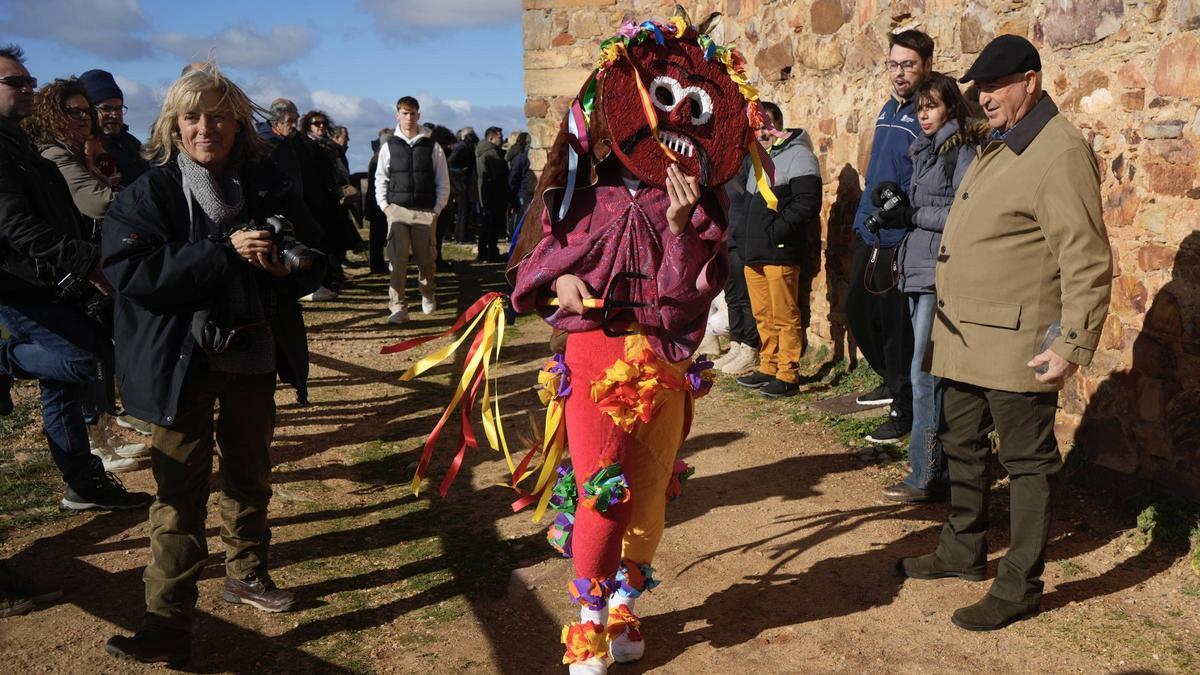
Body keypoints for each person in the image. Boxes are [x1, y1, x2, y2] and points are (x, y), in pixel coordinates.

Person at [507, 11, 766, 672]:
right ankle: (588, 617)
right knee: (603, 493)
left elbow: (686, 303)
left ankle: (624, 599)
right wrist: (560, 278)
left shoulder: (701, 205)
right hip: (594, 359)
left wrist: (680, 225)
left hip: (665, 366)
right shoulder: (583, 196)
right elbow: (534, 272)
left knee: (649, 495)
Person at [100, 64, 324, 664]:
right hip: (182, 363)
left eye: (220, 115)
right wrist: (222, 253)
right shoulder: (151, 192)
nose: (207, 128)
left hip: (252, 351)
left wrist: (286, 269)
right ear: (174, 125)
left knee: (250, 473)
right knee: (179, 494)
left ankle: (246, 573)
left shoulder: (267, 183)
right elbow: (130, 273)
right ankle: (165, 622)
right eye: (194, 116)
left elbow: (316, 258)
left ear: (238, 124)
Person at [898, 35, 1112, 631]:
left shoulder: (1059, 150)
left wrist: (1070, 344)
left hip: (1018, 344)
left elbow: (1086, 257)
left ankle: (1020, 584)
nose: (983, 96)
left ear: (1031, 82)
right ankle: (963, 552)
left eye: (996, 85)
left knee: (1027, 463)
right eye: (979, 86)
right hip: (965, 336)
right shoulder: (1003, 140)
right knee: (961, 445)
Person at [1, 43, 152, 619]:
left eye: (28, 78)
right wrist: (83, 260)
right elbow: (14, 225)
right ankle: (7, 357)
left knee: (63, 384)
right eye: (15, 81)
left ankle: (82, 482)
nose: (26, 87)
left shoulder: (16, 142)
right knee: (80, 362)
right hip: (17, 283)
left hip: (44, 277)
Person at [20, 76, 150, 471]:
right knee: (84, 357)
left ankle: (101, 434)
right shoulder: (56, 155)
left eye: (85, 112)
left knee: (95, 353)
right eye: (71, 112)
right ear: (51, 115)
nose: (83, 119)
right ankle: (95, 441)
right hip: (62, 271)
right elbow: (97, 204)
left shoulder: (80, 153)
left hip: (81, 265)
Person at [874, 74, 986, 503]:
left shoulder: (959, 150)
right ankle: (931, 471)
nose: (923, 114)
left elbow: (964, 214)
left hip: (940, 272)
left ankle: (926, 475)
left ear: (951, 109)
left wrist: (912, 214)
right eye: (919, 107)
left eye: (932, 106)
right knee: (924, 374)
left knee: (926, 376)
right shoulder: (926, 149)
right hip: (917, 270)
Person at [848, 29, 934, 444]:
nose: (900, 73)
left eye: (909, 65)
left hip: (898, 233)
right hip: (868, 227)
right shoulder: (889, 107)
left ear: (926, 67)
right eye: (894, 64)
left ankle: (903, 407)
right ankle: (889, 378)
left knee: (897, 326)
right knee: (859, 312)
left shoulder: (928, 112)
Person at [733, 102, 822, 398]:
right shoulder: (758, 159)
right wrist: (743, 238)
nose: (762, 132)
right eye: (757, 127)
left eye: (767, 125)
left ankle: (788, 373)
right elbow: (749, 207)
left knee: (785, 315)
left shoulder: (799, 155)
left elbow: (807, 203)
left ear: (780, 125)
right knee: (762, 314)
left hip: (780, 251)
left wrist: (776, 232)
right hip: (755, 253)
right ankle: (768, 366)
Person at [374, 96, 449, 324]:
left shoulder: (432, 146)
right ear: (397, 115)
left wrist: (437, 208)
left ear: (419, 114)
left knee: (426, 260)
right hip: (397, 210)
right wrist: (385, 206)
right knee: (397, 261)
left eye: (413, 113)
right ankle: (397, 307)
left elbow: (442, 180)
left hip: (425, 212)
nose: (409, 118)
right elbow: (381, 178)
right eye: (404, 113)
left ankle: (427, 293)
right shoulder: (389, 146)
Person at [712, 157, 760, 374]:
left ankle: (750, 349)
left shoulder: (749, 159)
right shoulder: (721, 161)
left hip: (742, 237)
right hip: (725, 238)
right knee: (732, 295)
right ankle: (737, 343)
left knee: (745, 296)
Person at [79, 69, 149, 189]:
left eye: (118, 108)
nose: (114, 114)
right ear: (89, 110)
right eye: (106, 108)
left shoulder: (133, 143)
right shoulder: (80, 148)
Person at [475, 126, 507, 262]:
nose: (501, 139)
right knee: (492, 224)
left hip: (484, 192)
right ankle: (492, 252)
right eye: (500, 136)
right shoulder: (492, 154)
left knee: (486, 225)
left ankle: (483, 251)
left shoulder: (480, 151)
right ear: (491, 138)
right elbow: (500, 175)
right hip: (493, 193)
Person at [365, 127, 392, 273]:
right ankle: (377, 265)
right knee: (377, 237)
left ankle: (377, 264)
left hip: (375, 202)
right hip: (378, 203)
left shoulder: (376, 157)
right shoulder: (379, 158)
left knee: (378, 236)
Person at [448, 127, 478, 244]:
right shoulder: (462, 147)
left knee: (465, 210)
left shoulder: (465, 146)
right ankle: (461, 236)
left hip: (463, 181)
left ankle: (461, 235)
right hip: (460, 182)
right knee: (463, 210)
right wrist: (460, 172)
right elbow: (450, 163)